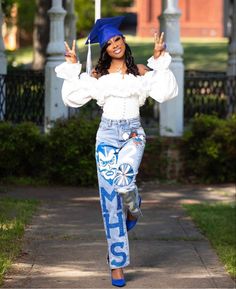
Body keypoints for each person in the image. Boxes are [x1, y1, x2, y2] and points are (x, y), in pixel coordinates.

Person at [55, 16, 178, 287]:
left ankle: (133, 207)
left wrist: (160, 57)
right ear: (105, 49)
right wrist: (73, 67)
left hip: (133, 133)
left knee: (124, 179)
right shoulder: (98, 76)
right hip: (106, 136)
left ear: (124, 41)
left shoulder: (141, 71)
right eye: (109, 43)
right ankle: (117, 266)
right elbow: (72, 98)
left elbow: (167, 91)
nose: (115, 45)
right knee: (109, 201)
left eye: (118, 39)